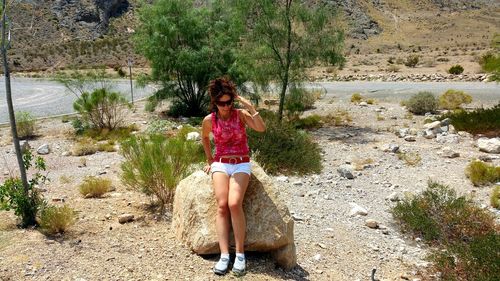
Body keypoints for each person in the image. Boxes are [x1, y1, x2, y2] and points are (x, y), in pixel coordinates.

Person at [201, 77, 266, 276]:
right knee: (222, 205)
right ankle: (223, 256)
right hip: (221, 162)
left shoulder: (241, 115)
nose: (226, 106)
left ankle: (239, 254)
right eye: (222, 103)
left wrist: (250, 106)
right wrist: (210, 159)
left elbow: (261, 128)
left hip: (241, 163)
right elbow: (204, 137)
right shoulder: (209, 120)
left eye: (229, 102)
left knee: (234, 203)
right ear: (215, 102)